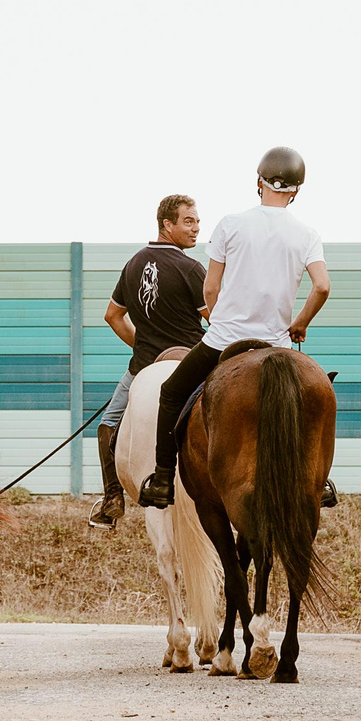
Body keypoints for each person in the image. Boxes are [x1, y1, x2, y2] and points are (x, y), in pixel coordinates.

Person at [135, 147, 333, 511]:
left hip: (225, 338)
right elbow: (322, 286)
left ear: (259, 182)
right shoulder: (307, 234)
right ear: (296, 190)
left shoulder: (230, 224)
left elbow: (211, 288)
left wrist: (219, 318)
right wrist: (299, 323)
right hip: (275, 344)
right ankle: (320, 483)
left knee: (171, 392)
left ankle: (163, 478)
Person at [88, 194, 207, 528]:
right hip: (190, 364)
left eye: (197, 221)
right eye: (188, 221)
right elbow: (218, 320)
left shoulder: (133, 264)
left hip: (143, 366)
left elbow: (113, 316)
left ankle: (112, 500)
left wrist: (143, 346)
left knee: (108, 424)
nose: (196, 228)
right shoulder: (191, 269)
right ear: (166, 224)